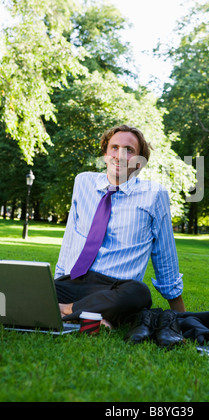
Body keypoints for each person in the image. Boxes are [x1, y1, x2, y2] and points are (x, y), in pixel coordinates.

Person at [54, 124, 185, 329]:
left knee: (139, 293)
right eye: (114, 147)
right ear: (105, 153)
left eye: (129, 150)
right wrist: (57, 282)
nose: (120, 155)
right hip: (75, 281)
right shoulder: (83, 182)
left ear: (141, 161)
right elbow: (70, 237)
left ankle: (66, 310)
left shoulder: (154, 195)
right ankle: (96, 317)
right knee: (25, 286)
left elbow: (164, 254)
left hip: (117, 288)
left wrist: (180, 315)